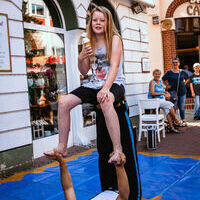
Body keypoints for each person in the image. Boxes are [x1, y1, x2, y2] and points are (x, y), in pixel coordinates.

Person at [44, 6, 125, 165]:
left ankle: (117, 150)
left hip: (114, 83)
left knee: (106, 100)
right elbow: (84, 70)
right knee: (63, 102)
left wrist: (106, 88)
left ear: (108, 22)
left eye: (102, 20)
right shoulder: (88, 41)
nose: (98, 23)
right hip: (94, 83)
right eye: (95, 20)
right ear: (90, 22)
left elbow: (114, 66)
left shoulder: (114, 38)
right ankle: (62, 147)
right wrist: (81, 57)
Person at [45, 149, 130, 200]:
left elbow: (68, 188)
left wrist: (61, 162)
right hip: (116, 190)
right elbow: (123, 197)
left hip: (107, 189)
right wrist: (119, 166)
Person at [162, 57, 189, 127]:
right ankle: (174, 121)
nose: (175, 64)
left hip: (182, 92)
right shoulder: (169, 72)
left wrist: (184, 84)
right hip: (172, 93)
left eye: (176, 62)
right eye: (173, 62)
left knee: (181, 107)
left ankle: (183, 120)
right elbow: (163, 79)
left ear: (179, 63)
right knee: (173, 107)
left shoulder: (182, 72)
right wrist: (167, 85)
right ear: (172, 64)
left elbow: (187, 78)